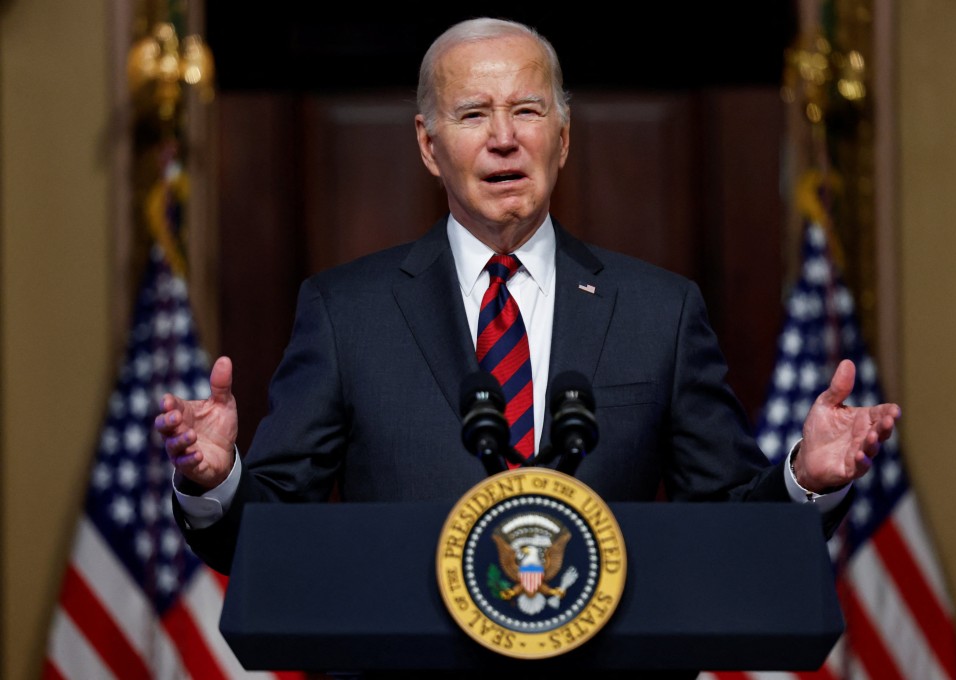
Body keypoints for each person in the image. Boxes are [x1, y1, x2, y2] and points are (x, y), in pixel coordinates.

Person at [156, 16, 898, 586]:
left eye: (529, 112)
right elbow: (271, 538)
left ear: (564, 137)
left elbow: (731, 527)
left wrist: (804, 477)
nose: (504, 139)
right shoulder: (347, 313)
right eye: (474, 113)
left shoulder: (658, 312)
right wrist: (217, 479)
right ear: (428, 144)